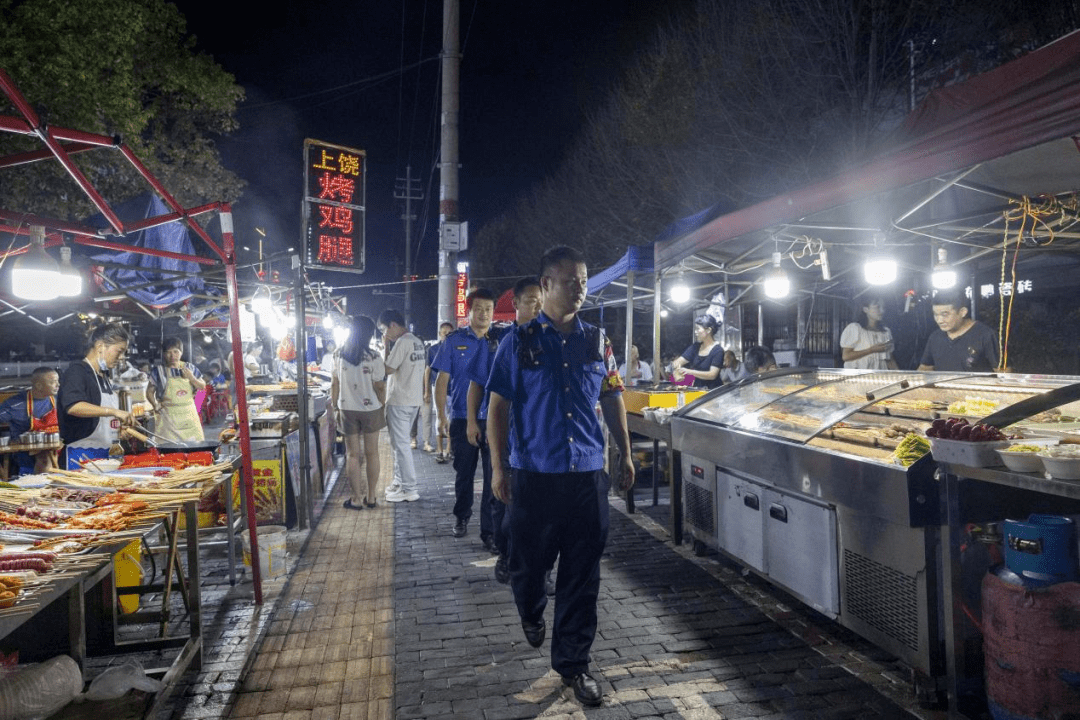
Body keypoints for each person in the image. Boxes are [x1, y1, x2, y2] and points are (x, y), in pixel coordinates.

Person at [487, 246, 634, 708]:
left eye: (584, 281)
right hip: (535, 475)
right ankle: (531, 609)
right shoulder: (518, 342)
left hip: (587, 476)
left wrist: (625, 453)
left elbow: (612, 396)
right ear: (546, 284)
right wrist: (498, 467)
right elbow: (497, 408)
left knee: (581, 576)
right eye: (570, 281)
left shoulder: (597, 342)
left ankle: (574, 664)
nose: (580, 289)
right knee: (527, 566)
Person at [466, 276, 542, 578]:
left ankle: (535, 564)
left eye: (542, 302)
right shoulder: (497, 341)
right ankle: (504, 552)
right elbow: (477, 385)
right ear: (517, 304)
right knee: (500, 493)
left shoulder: (552, 340)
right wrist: (472, 421)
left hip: (535, 439)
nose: (538, 308)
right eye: (532, 302)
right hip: (501, 433)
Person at [433, 288, 498, 542]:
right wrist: (441, 416)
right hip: (462, 417)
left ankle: (489, 531)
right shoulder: (453, 341)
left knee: (493, 474)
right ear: (468, 311)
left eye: (488, 309)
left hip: (494, 418)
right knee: (464, 474)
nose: (484, 314)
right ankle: (461, 515)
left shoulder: (500, 341)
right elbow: (442, 380)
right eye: (478, 309)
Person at [57, 322, 134, 469]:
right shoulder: (77, 371)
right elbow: (73, 406)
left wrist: (117, 430)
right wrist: (114, 411)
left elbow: (100, 419)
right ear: (100, 346)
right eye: (119, 351)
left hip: (106, 454)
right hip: (80, 456)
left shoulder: (103, 377)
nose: (122, 357)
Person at [331, 315, 386, 510]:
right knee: (372, 453)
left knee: (352, 455)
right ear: (369, 334)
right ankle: (371, 497)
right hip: (371, 409)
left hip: (347, 409)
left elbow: (334, 383)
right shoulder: (374, 356)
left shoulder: (338, 354)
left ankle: (355, 499)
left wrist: (335, 406)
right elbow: (380, 386)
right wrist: (383, 403)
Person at [378, 309, 426, 502]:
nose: (385, 334)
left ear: (392, 325)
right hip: (413, 399)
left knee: (401, 446)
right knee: (400, 444)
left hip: (400, 400)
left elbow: (387, 368)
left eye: (384, 329)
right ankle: (399, 482)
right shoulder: (416, 341)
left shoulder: (402, 342)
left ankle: (409, 488)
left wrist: (385, 346)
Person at [0, 367, 60, 475]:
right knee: (43, 460)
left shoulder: (58, 400)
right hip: (24, 457)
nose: (58, 385)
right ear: (39, 386)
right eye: (52, 382)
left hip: (54, 451)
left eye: (57, 381)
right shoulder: (16, 404)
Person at [917, 293, 999, 372]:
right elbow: (925, 369)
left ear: (962, 312)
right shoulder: (935, 337)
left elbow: (1002, 373)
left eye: (944, 315)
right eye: (935, 315)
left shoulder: (986, 335)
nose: (939, 320)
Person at [148, 337, 206, 442]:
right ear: (164, 354)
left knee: (194, 448)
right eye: (168, 352)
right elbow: (149, 392)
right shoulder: (158, 371)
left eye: (175, 351)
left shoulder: (190, 368)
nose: (172, 356)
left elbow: (202, 386)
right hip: (167, 418)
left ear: (181, 352)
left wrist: (192, 378)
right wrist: (155, 405)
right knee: (169, 449)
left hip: (189, 416)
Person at [421, 322, 453, 459]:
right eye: (444, 333)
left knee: (451, 419)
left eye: (449, 333)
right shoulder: (432, 349)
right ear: (440, 334)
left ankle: (449, 449)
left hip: (453, 389)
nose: (446, 335)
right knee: (440, 417)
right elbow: (427, 371)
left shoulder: (456, 348)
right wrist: (427, 391)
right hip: (437, 388)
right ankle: (440, 450)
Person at [840, 299, 898, 370]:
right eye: (877, 307)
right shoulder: (855, 328)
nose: (882, 311)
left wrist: (901, 375)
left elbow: (890, 359)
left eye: (883, 307)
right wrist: (871, 350)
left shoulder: (886, 332)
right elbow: (846, 356)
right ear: (865, 309)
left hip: (879, 375)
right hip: (859, 375)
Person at [671, 315, 724, 388]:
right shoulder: (695, 347)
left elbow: (712, 375)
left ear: (708, 330)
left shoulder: (718, 350)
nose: (695, 332)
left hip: (713, 391)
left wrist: (689, 371)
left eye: (698, 329)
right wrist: (677, 368)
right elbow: (677, 362)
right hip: (698, 388)